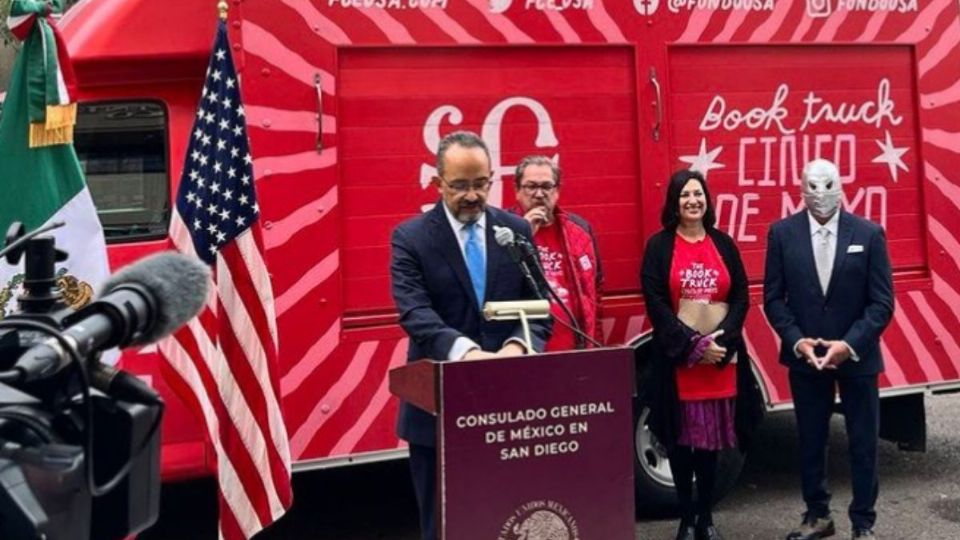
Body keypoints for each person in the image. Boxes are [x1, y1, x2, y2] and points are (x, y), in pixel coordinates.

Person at [390, 131, 552, 540]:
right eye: (460, 185)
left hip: (507, 411)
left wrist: (517, 346)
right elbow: (416, 313)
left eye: (480, 183)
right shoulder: (410, 238)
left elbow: (541, 308)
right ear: (438, 183)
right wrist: (468, 355)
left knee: (506, 521)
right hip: (436, 410)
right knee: (444, 526)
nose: (472, 196)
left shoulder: (514, 230)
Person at [763, 159, 894, 540]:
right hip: (806, 357)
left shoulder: (868, 234)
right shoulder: (782, 233)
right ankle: (817, 515)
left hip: (857, 356)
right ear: (800, 188)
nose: (820, 194)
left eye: (827, 184)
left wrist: (850, 344)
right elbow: (773, 298)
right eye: (812, 185)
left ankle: (863, 522)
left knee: (864, 442)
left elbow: (882, 302)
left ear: (841, 185)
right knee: (810, 439)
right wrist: (796, 339)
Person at [640, 169, 762, 540]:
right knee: (679, 443)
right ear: (674, 203)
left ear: (706, 200)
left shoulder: (723, 244)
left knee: (710, 447)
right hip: (680, 363)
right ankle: (686, 519)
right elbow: (655, 300)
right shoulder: (659, 247)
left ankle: (706, 517)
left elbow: (741, 294)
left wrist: (721, 341)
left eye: (698, 194)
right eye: (684, 195)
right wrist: (692, 344)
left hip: (718, 364)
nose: (692, 200)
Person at [510, 155, 603, 350]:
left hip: (574, 348)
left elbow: (596, 293)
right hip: (523, 347)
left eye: (546, 186)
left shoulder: (580, 230)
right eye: (531, 186)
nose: (539, 193)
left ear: (557, 191)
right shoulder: (503, 230)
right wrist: (523, 233)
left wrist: (596, 349)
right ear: (517, 190)